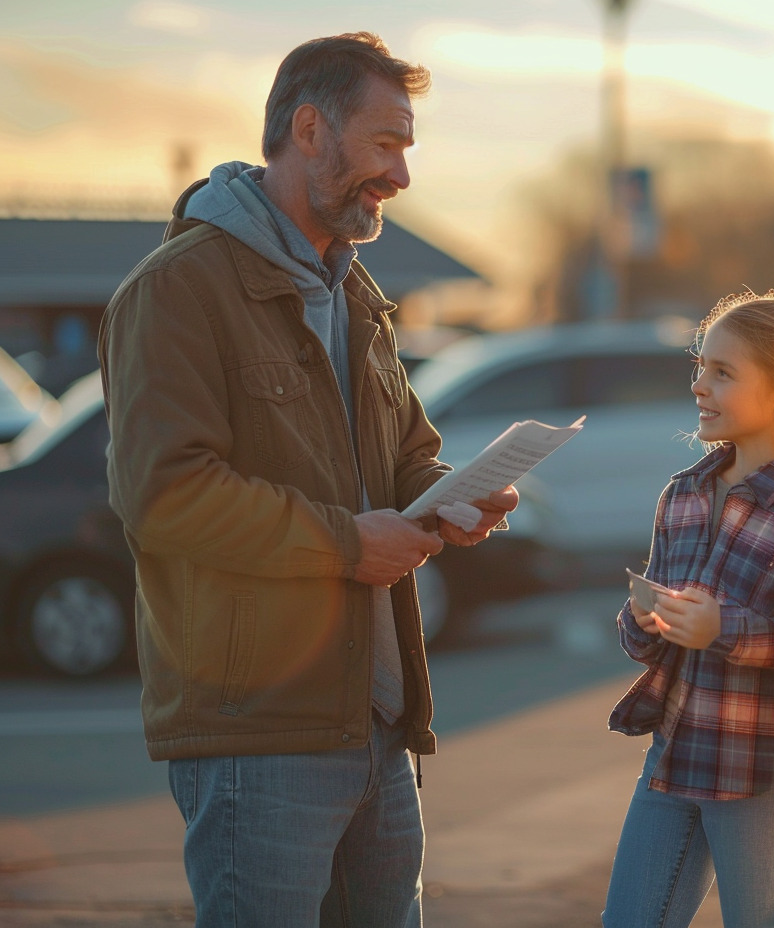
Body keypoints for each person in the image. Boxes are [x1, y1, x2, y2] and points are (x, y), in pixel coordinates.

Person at [98, 33, 516, 928]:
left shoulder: (355, 292)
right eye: (387, 142)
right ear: (311, 128)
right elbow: (164, 495)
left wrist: (454, 495)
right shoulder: (176, 291)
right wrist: (344, 543)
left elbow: (404, 456)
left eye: (407, 147)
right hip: (259, 736)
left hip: (378, 724)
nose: (401, 174)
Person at [603, 289, 774, 928]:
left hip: (765, 776)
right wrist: (642, 622)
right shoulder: (683, 494)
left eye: (723, 372)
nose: (699, 385)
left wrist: (724, 631)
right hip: (672, 757)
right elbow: (651, 634)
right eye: (700, 367)